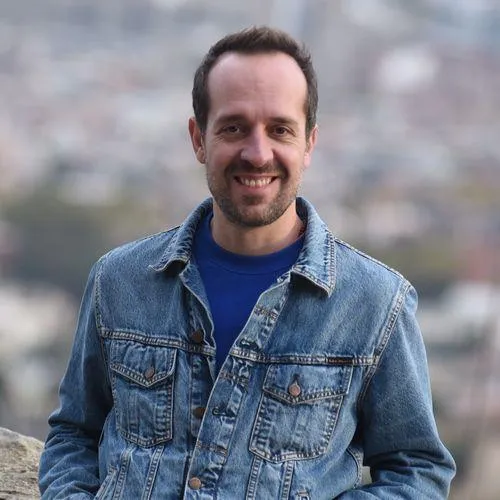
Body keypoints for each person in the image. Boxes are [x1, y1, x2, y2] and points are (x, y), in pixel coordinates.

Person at [39, 26, 455, 499]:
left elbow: (416, 470)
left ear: (309, 143)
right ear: (199, 138)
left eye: (280, 130)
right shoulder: (118, 281)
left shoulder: (376, 303)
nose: (257, 154)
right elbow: (74, 435)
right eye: (234, 128)